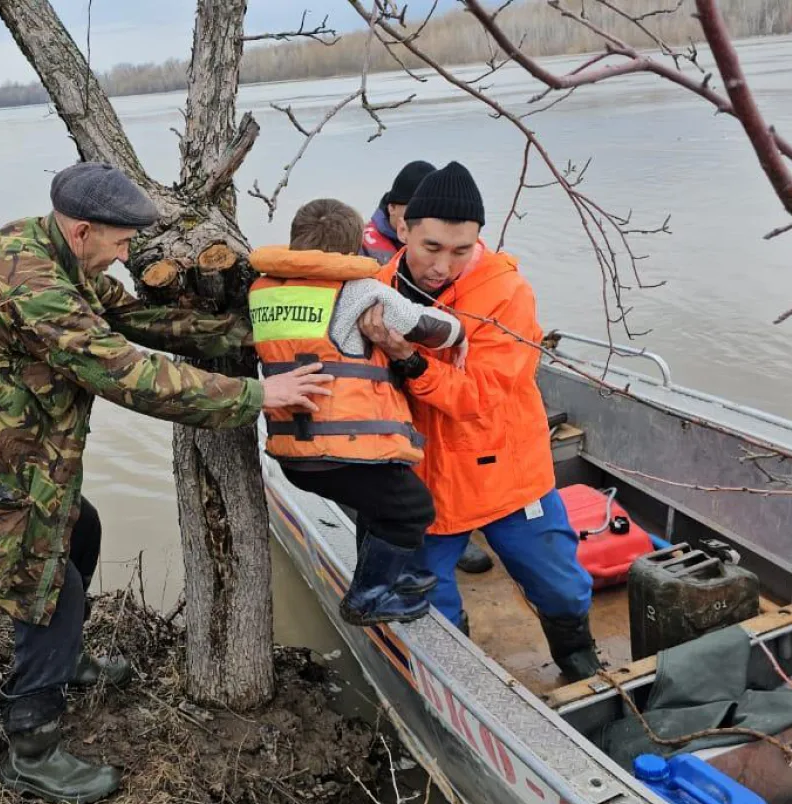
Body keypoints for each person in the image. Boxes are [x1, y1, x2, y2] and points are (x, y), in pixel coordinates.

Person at [0, 161, 332, 804]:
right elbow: (125, 372)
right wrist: (260, 394)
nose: (126, 257)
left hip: (4, 452)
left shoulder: (57, 254)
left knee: (81, 527)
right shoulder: (32, 284)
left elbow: (131, 321)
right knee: (49, 582)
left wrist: (246, 331)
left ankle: (62, 662)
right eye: (120, 243)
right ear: (84, 228)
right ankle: (30, 744)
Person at [361, 161, 601, 682]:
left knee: (557, 580)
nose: (443, 265)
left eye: (461, 251)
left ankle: (578, 655)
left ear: (477, 242)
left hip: (507, 472)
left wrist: (409, 360)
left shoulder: (506, 294)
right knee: (430, 597)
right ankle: (459, 682)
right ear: (402, 229)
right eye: (432, 248)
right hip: (426, 480)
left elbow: (482, 395)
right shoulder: (374, 289)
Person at [250, 198, 463, 625]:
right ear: (354, 250)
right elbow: (434, 330)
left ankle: (395, 577)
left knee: (383, 504)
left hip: (293, 450)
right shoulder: (360, 290)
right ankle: (367, 598)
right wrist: (461, 330)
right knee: (412, 509)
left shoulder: (261, 292)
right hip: (345, 449)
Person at [362, 160, 435, 264]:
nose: (424, 217)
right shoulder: (360, 246)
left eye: (432, 210)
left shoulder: (450, 245)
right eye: (415, 209)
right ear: (391, 207)